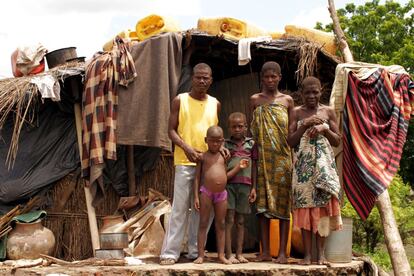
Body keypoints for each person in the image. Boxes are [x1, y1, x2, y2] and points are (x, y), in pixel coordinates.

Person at [160, 63, 225, 265]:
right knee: (179, 208)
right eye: (198, 77)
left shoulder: (216, 103)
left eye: (206, 78)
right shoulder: (180, 100)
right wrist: (186, 147)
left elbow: (216, 133)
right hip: (184, 161)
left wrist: (221, 148)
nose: (202, 81)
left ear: (211, 80)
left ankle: (195, 250)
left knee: (203, 210)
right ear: (193, 78)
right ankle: (170, 253)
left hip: (208, 166)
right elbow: (171, 130)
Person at [288, 76, 342, 265]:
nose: (311, 96)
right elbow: (290, 141)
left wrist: (324, 129)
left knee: (323, 209)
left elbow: (337, 140)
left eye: (315, 92)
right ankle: (307, 256)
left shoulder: (328, 111)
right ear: (301, 93)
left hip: (324, 166)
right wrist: (306, 124)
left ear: (321, 91)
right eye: (307, 92)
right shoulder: (296, 112)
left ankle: (321, 255)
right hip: (303, 167)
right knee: (305, 208)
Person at [250, 61, 294, 264]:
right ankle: (265, 251)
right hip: (263, 160)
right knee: (262, 207)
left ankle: (283, 253)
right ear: (262, 78)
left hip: (283, 160)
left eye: (273, 76)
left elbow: (292, 133)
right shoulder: (255, 100)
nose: (270, 80)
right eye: (266, 77)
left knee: (284, 208)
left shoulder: (287, 101)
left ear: (279, 77)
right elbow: (252, 132)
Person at [193, 126, 247, 265]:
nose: (215, 144)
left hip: (221, 194)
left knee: (221, 224)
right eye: (212, 141)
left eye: (218, 141)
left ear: (222, 141)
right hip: (206, 193)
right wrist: (196, 196)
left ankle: (221, 255)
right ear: (206, 140)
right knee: (203, 223)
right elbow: (197, 177)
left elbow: (225, 176)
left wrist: (238, 168)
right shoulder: (202, 157)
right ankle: (200, 255)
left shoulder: (224, 156)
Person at [224, 112, 257, 264]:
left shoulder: (251, 144)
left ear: (246, 127)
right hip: (229, 185)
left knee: (241, 220)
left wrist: (254, 187)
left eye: (240, 126)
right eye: (234, 127)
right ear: (229, 128)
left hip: (245, 185)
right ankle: (229, 254)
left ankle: (239, 254)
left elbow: (255, 166)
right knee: (229, 219)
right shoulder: (225, 145)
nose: (237, 129)